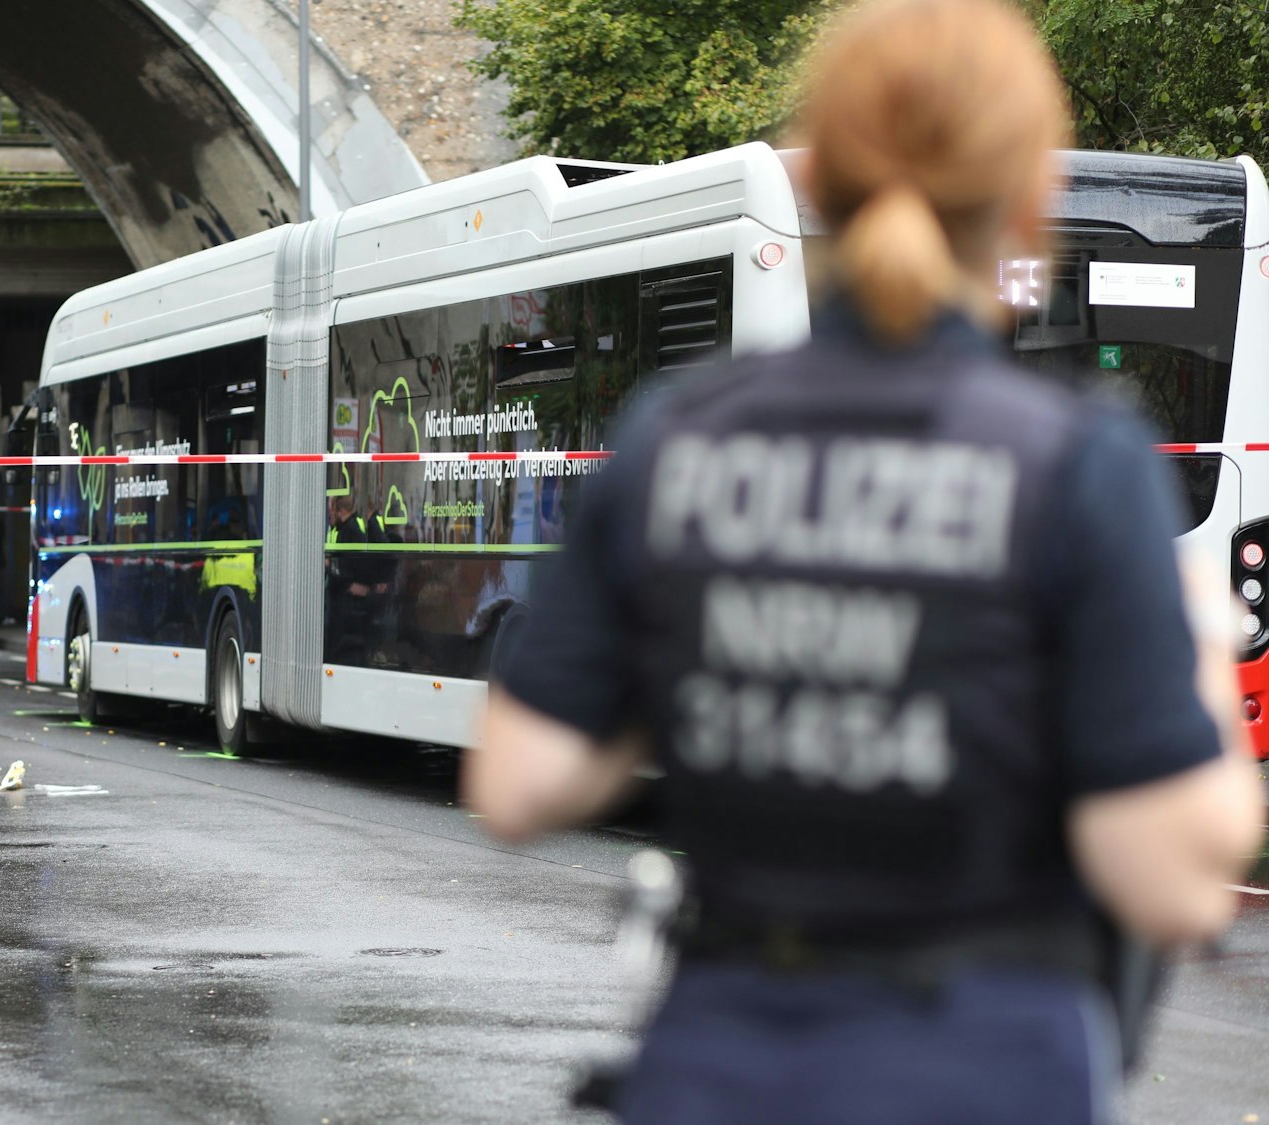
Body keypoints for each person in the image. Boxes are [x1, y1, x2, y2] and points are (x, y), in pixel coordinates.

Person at [464, 1, 1264, 1121]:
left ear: (823, 180)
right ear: (1024, 203)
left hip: (722, 1066)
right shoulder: (1077, 464)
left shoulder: (676, 436)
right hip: (988, 1069)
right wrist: (1195, 660)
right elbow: (1171, 884)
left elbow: (517, 786)